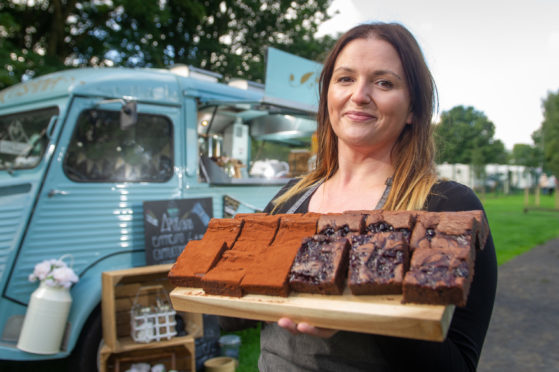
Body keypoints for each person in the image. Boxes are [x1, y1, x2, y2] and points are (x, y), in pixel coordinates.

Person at [258, 22, 497, 371]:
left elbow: (459, 364)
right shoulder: (286, 201)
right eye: (345, 79)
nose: (359, 95)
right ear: (328, 97)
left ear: (414, 108)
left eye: (384, 82)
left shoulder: (446, 208)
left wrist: (362, 311)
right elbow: (240, 311)